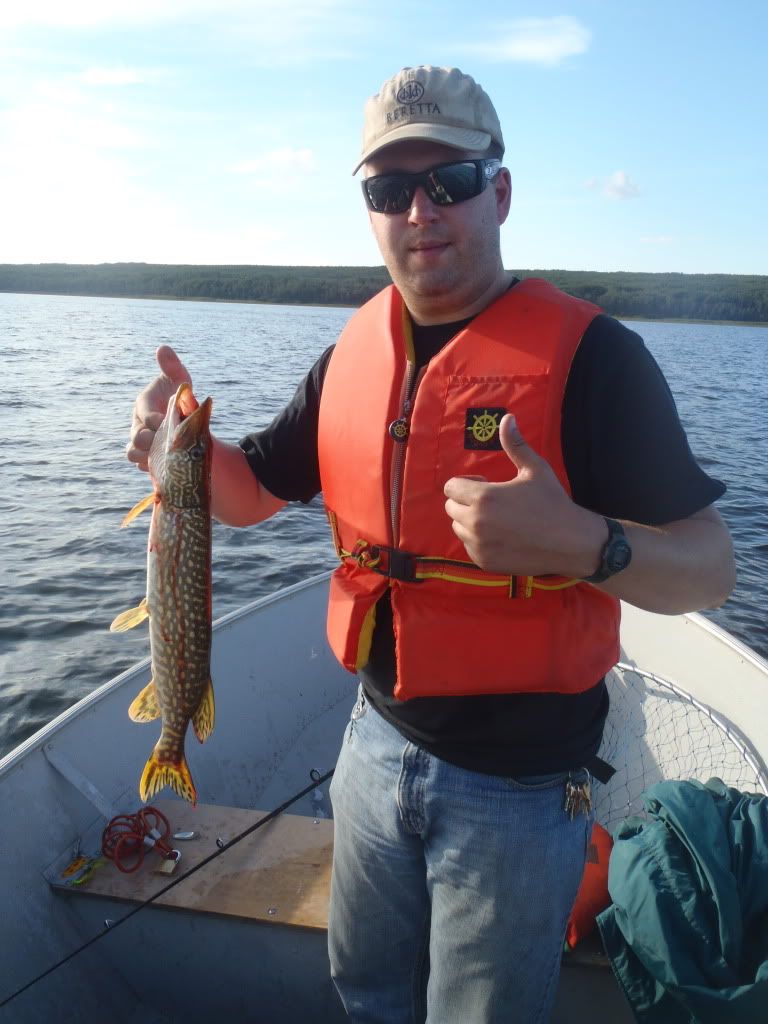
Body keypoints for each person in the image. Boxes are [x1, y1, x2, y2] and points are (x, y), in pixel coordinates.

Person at [127, 66, 736, 1024]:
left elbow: (711, 567)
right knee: (366, 993)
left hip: (523, 791)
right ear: (368, 210)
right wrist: (175, 462)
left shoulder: (598, 361)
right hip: (372, 745)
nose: (420, 211)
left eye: (447, 180)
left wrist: (582, 543)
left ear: (499, 192)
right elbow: (250, 494)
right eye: (388, 190)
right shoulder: (350, 357)